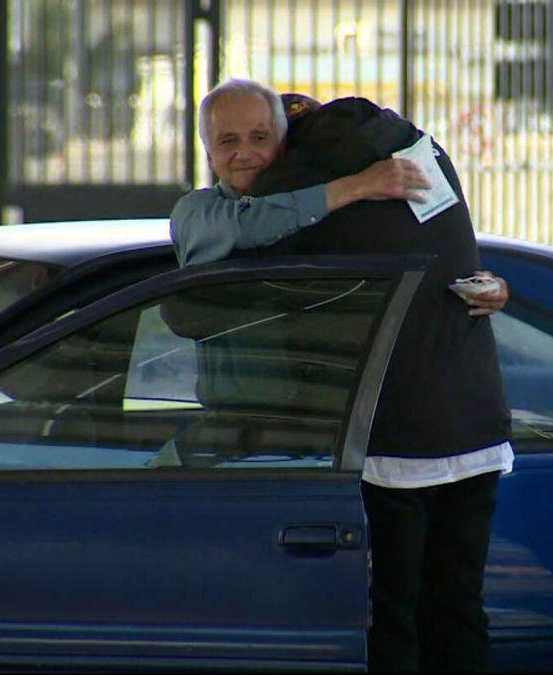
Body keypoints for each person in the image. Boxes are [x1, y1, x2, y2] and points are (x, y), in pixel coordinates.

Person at [170, 79, 513, 672]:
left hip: (382, 445)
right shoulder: (210, 213)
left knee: (407, 616)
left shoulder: (311, 206)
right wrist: (359, 185)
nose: (245, 151)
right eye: (228, 140)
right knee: (437, 612)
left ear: (288, 141)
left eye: (259, 137)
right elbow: (253, 226)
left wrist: (489, 285)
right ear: (205, 148)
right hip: (462, 433)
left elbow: (447, 257)